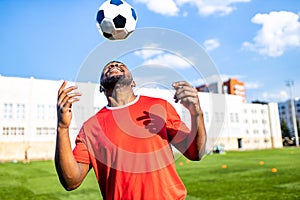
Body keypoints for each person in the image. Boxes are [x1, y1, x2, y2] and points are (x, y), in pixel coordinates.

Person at [55, 61, 207, 200]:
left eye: (120, 65)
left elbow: (196, 153)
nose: (114, 65)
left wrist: (196, 114)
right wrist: (62, 127)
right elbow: (71, 181)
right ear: (101, 87)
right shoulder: (90, 127)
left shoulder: (160, 107)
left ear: (133, 82)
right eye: (108, 67)